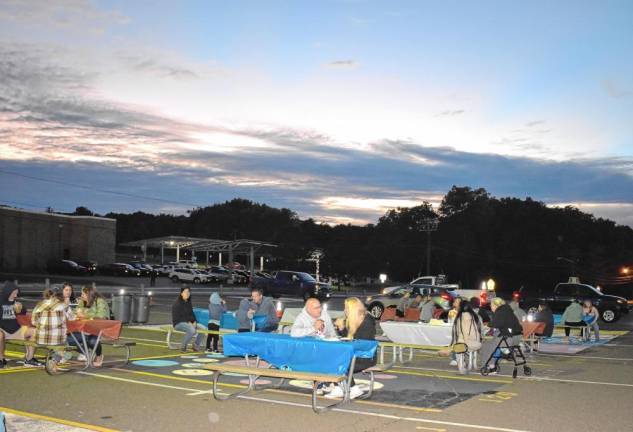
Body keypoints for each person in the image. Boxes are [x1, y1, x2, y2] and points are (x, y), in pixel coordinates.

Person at [326, 297, 376, 400]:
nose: (345, 310)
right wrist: (342, 329)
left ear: (354, 309)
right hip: (354, 354)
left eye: (347, 308)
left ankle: (352, 388)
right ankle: (340, 388)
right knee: (332, 358)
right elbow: (349, 338)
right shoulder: (353, 320)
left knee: (339, 362)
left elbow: (361, 343)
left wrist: (343, 332)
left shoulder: (367, 321)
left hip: (366, 356)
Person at [0, 281, 39, 368]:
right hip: (2, 330)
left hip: (16, 330)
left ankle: (29, 359)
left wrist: (21, 310)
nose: (16, 296)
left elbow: (24, 316)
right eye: (14, 293)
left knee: (35, 332)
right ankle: (1, 359)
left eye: (16, 294)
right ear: (8, 292)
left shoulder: (16, 303)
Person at [481, 297, 523, 374]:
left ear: (495, 305)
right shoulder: (507, 310)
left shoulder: (500, 311)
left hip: (508, 338)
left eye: (491, 305)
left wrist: (488, 325)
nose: (490, 307)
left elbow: (497, 323)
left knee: (486, 345)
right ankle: (493, 364)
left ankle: (489, 366)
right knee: (493, 344)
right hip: (516, 337)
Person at [71, 286, 111, 366]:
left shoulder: (100, 301)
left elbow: (101, 316)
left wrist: (84, 315)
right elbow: (75, 312)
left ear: (89, 294)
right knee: (70, 338)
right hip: (84, 329)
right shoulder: (83, 302)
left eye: (83, 294)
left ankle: (99, 356)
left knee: (92, 341)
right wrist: (76, 314)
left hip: (99, 329)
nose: (81, 296)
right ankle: (85, 353)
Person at [451, 302, 483, 374]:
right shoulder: (477, 316)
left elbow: (458, 332)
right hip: (477, 344)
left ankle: (461, 368)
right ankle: (474, 364)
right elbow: (482, 331)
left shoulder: (460, 317)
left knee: (457, 346)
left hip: (465, 345)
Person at [172, 286, 205, 352]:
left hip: (188, 322)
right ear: (181, 293)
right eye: (185, 292)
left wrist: (194, 321)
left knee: (203, 329)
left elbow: (191, 314)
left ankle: (195, 345)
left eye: (188, 292)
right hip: (178, 323)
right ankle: (183, 347)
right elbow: (179, 317)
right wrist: (189, 322)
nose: (187, 293)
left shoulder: (188, 302)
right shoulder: (177, 303)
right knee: (192, 330)